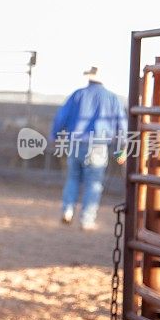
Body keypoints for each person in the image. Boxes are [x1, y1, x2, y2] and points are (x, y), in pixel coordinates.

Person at [51, 67, 127, 230]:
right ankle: (87, 219)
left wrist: (56, 136)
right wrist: (121, 150)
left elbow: (61, 116)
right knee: (93, 183)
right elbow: (122, 127)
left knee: (72, 178)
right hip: (98, 145)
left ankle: (68, 211)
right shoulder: (112, 99)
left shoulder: (77, 95)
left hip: (75, 142)